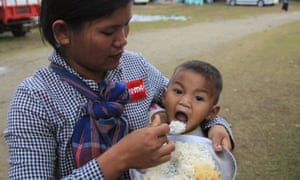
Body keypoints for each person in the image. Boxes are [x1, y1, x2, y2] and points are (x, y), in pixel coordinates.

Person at [4, 0, 234, 179]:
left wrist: (215, 124)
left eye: (126, 25)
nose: (123, 40)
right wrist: (119, 159)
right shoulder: (34, 100)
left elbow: (186, 100)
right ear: (63, 32)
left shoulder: (136, 67)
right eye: (108, 31)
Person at [156, 60, 234, 148]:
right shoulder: (150, 119)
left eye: (198, 98)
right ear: (164, 96)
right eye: (178, 91)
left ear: (211, 113)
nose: (184, 102)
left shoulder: (206, 146)